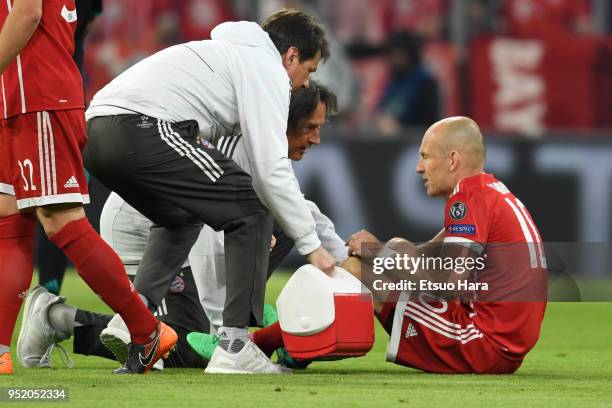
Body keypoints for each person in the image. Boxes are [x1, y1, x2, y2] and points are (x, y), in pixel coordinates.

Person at [20, 82, 344, 371]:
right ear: (283, 121)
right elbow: (203, 228)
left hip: (183, 233)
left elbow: (298, 211)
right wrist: (226, 333)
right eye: (309, 127)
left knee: (281, 227)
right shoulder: (240, 144)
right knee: (186, 348)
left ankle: (217, 327)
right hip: (143, 230)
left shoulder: (267, 151)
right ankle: (58, 319)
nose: (316, 138)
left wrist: (347, 257)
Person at [83, 8, 335, 374]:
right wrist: (312, 247)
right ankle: (234, 346)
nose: (304, 85)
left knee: (184, 214)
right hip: (140, 127)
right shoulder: (266, 68)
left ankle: (131, 321)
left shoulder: (226, 58)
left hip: (97, 131)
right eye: (308, 71)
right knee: (252, 209)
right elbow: (270, 170)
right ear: (291, 55)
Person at [0, 0, 176, 376]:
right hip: (16, 97)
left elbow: (28, 11)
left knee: (61, 221)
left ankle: (146, 330)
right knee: (9, 216)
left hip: (39, 96)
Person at [343, 116, 547, 373]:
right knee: (391, 251)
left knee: (355, 270)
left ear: (452, 160)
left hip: (483, 344)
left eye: (425, 156)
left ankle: (287, 345)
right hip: (503, 343)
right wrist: (386, 252)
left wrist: (378, 252)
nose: (419, 167)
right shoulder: (490, 192)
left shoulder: (466, 199)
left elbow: (447, 283)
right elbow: (424, 257)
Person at [373, 31, 439, 135]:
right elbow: (382, 111)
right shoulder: (394, 81)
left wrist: (399, 127)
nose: (392, 60)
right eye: (390, 55)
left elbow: (427, 124)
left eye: (397, 55)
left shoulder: (425, 83)